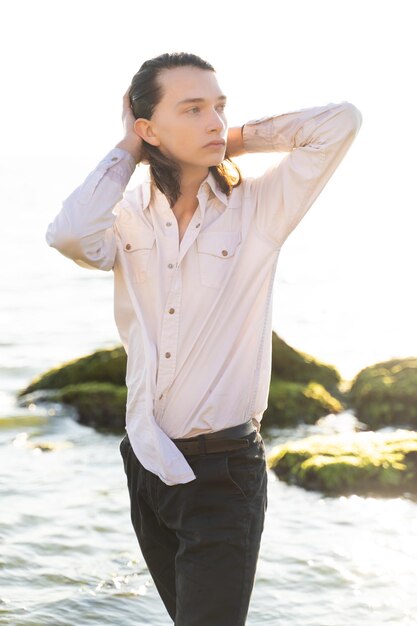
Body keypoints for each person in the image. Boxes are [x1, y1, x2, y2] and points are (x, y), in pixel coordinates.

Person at [45, 51, 362, 625]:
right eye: (192, 109)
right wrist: (130, 150)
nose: (214, 119)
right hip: (146, 463)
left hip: (224, 474)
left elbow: (340, 122)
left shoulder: (260, 207)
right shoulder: (125, 217)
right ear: (148, 128)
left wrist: (227, 140)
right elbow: (68, 234)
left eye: (219, 106)